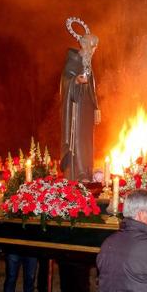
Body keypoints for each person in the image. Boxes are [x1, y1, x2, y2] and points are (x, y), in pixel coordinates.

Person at [60, 18, 100, 182]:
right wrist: (76, 80)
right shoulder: (74, 60)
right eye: (93, 46)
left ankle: (87, 171)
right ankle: (79, 172)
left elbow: (92, 87)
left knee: (86, 141)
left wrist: (96, 107)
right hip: (76, 106)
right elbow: (65, 79)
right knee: (77, 138)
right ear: (85, 46)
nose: (95, 49)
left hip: (87, 109)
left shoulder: (88, 63)